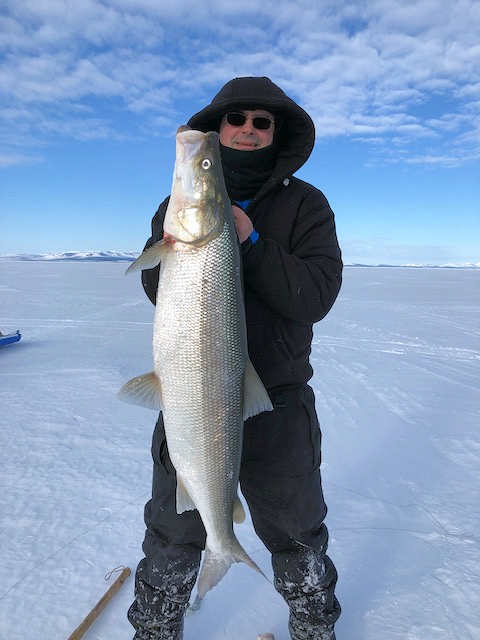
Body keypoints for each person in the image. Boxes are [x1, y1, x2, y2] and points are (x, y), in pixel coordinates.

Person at [128, 76, 343, 640]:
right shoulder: (174, 211)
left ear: (276, 134)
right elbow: (159, 293)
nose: (248, 130)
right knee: (172, 530)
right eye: (237, 119)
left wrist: (248, 241)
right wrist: (184, 245)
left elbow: (316, 295)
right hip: (191, 394)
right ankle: (155, 628)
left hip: (278, 400)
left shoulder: (306, 204)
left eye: (262, 122)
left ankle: (314, 626)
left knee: (297, 531)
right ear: (219, 128)